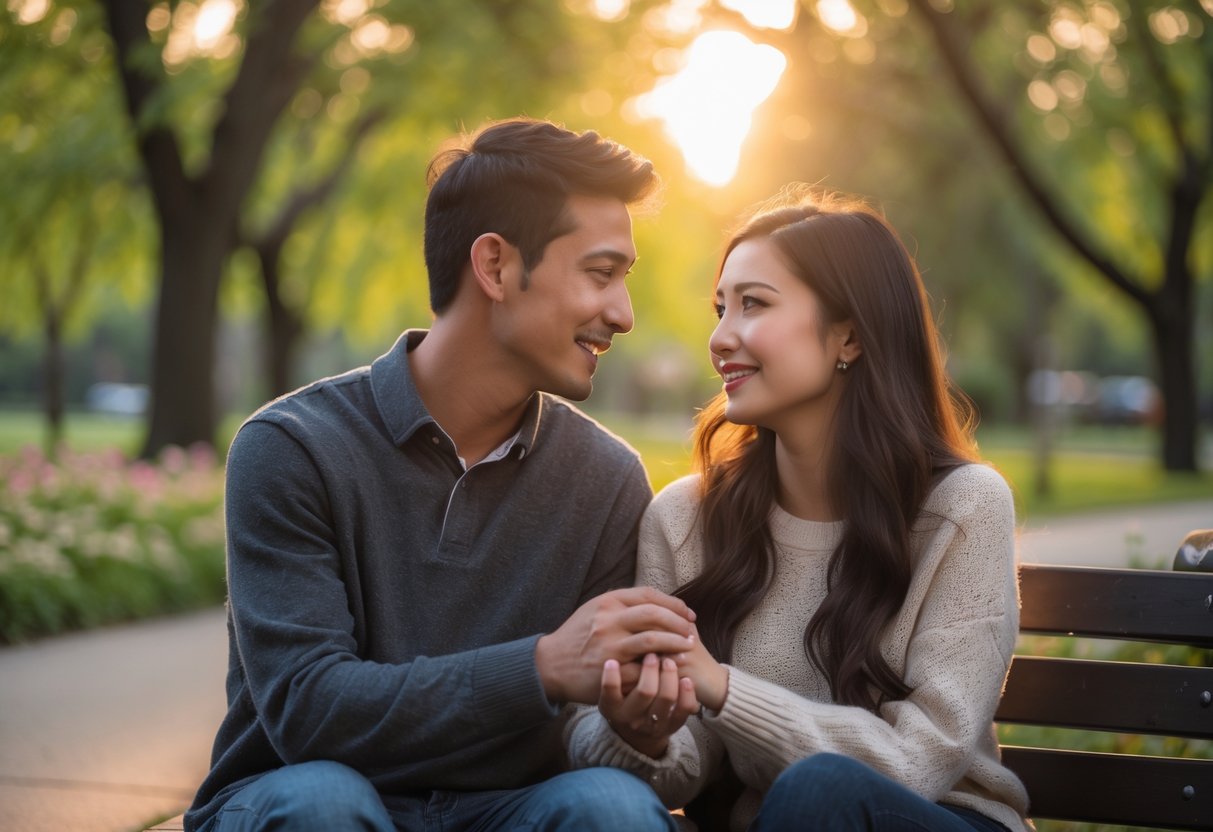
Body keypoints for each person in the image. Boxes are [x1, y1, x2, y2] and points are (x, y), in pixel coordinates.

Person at [184, 118, 698, 832]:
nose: (624, 314)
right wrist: (541, 666)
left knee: (614, 808)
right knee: (323, 804)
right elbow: (309, 711)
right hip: (299, 794)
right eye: (600, 273)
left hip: (506, 810)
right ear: (493, 267)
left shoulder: (606, 478)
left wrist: (636, 725)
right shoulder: (292, 447)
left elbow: (590, 735)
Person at [566, 190, 1032, 831]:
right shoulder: (685, 520)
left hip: (934, 818)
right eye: (720, 307)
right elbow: (685, 766)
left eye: (753, 304)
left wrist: (724, 687)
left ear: (850, 335)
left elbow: (924, 759)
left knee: (821, 792)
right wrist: (641, 732)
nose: (720, 337)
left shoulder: (960, 508)